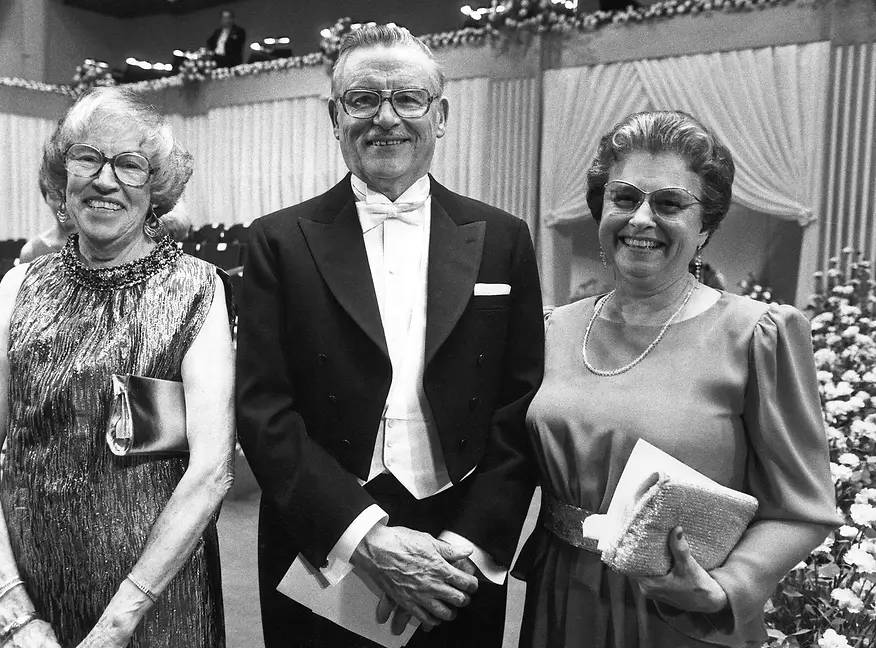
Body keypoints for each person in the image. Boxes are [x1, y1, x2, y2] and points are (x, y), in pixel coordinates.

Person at [235, 24, 544, 648]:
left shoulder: (503, 238)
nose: (386, 118)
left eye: (408, 98)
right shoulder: (276, 241)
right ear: (333, 115)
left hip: (459, 549)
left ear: (441, 114)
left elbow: (522, 404)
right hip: (325, 538)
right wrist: (365, 537)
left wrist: (463, 546)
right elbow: (264, 409)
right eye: (362, 99)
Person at [513, 110, 841, 647]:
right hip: (563, 600)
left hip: (679, 614)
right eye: (624, 198)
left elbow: (803, 509)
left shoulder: (758, 334)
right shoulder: (550, 328)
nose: (642, 218)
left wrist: (723, 590)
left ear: (706, 225)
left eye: (669, 204)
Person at [0, 86, 235, 648]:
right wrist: (14, 617)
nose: (106, 180)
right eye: (87, 158)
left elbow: (211, 473)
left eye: (130, 165)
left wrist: (120, 622)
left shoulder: (197, 288)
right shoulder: (19, 286)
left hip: (161, 604)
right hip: (34, 601)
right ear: (62, 177)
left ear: (156, 188)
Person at [17, 180, 78, 263]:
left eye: (69, 196)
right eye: (55, 197)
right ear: (46, 199)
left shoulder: (100, 246)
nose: (63, 206)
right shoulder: (31, 252)